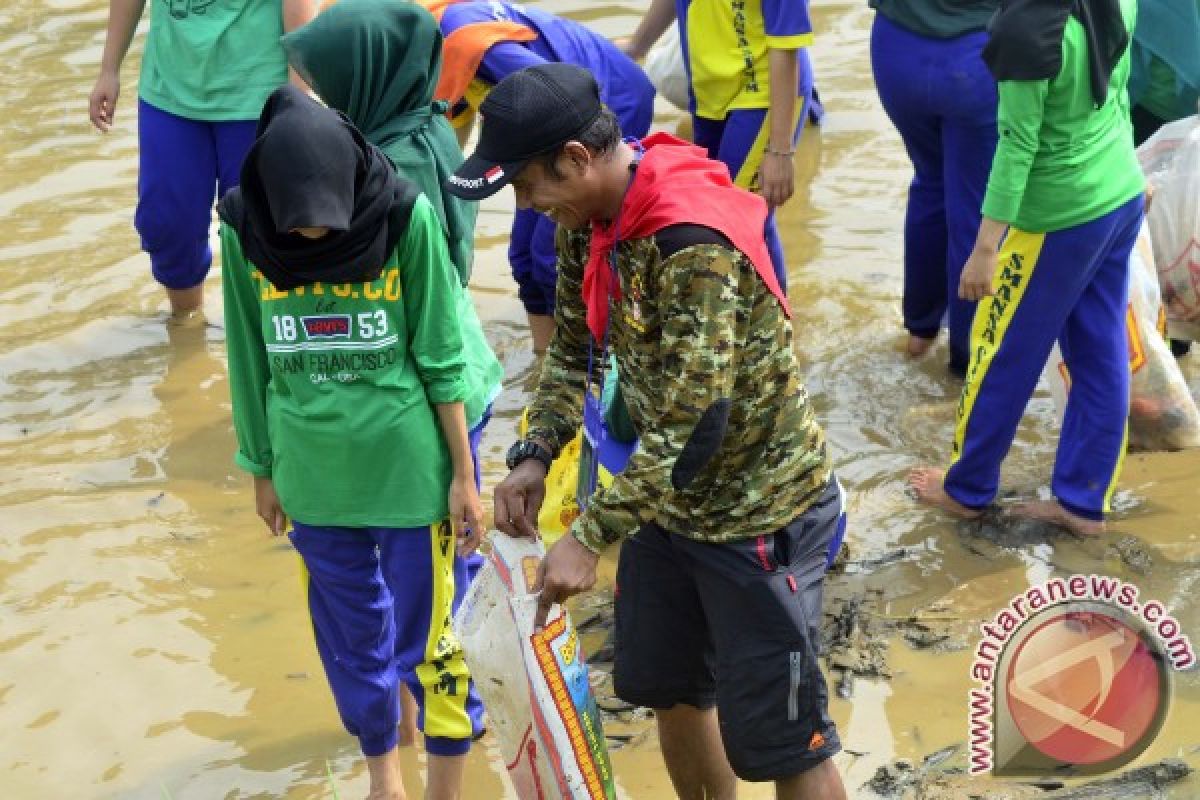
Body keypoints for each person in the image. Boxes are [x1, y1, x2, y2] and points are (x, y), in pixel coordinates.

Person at [449, 63, 848, 800]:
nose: (529, 206)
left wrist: (592, 532)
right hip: (663, 502)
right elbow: (571, 350)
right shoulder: (592, 224)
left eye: (529, 186)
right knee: (671, 691)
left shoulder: (690, 241)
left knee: (786, 743)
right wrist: (536, 453)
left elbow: (697, 420)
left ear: (575, 158)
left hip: (753, 514)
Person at [219, 86, 486, 800]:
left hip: (408, 473)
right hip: (313, 480)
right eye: (297, 226)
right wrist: (261, 469)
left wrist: (465, 476)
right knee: (349, 646)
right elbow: (247, 361)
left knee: (433, 647)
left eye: (326, 223)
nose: (313, 237)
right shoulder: (243, 229)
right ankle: (385, 779)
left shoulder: (404, 216)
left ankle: (445, 790)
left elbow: (440, 354)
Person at [281, 0, 503, 753]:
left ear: (363, 77)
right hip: (454, 368)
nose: (323, 100)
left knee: (429, 591)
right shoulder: (425, 127)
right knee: (424, 586)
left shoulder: (390, 169)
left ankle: (431, 728)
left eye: (330, 83)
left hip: (427, 390)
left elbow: (408, 313)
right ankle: (413, 723)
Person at [910, 0, 1145, 536]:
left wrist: (985, 247)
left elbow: (1017, 146)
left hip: (1057, 219)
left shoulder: (1026, 29)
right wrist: (1129, 163)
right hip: (1118, 192)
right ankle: (1084, 504)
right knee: (1100, 349)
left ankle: (966, 490)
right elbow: (1121, 77)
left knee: (1000, 355)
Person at [422, 0, 655, 353]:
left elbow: (555, 94)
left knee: (550, 255)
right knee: (523, 257)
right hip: (546, 139)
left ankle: (593, 360)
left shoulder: (462, 38)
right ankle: (544, 360)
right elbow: (449, 150)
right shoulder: (437, 48)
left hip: (605, 109)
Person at [88, 0, 317, 320]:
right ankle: (186, 327)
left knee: (257, 231)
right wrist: (108, 69)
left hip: (256, 93)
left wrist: (299, 97)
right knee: (166, 225)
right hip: (168, 88)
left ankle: (258, 335)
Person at [622, 0, 819, 290]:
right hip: (707, 92)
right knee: (713, 215)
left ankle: (770, 328)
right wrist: (637, 46)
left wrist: (780, 150)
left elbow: (786, 44)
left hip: (761, 95)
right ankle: (742, 319)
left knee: (740, 221)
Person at [868, 0, 999, 376]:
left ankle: (920, 333)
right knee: (973, 210)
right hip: (975, 59)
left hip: (897, 50)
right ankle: (966, 359)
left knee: (930, 182)